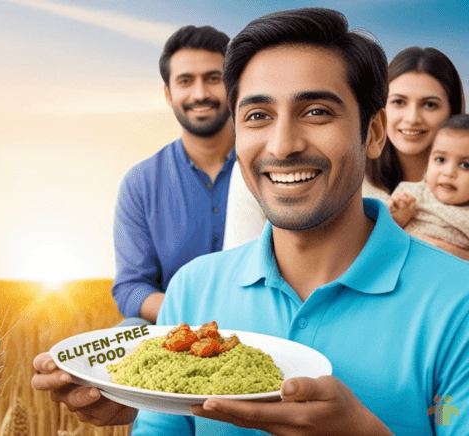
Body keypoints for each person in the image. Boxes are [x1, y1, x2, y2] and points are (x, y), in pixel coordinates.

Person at [32, 8, 469, 435]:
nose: (283, 145)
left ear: (373, 133)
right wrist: (133, 392)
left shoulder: (458, 303)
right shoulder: (193, 290)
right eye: (258, 116)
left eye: (316, 111)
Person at [112, 25, 264, 325]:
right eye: (185, 81)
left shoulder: (271, 166)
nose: (200, 94)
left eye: (213, 78)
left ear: (234, 87)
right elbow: (131, 287)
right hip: (178, 326)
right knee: (129, 329)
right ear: (169, 94)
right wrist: (195, 320)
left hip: (262, 321)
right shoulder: (140, 184)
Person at [363, 46, 465, 203]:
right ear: (380, 109)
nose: (412, 118)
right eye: (398, 102)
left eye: (429, 105)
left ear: (453, 113)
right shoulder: (352, 183)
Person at [389, 114, 469, 259]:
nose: (449, 172)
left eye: (465, 165)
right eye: (440, 159)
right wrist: (396, 220)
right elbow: (377, 236)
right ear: (427, 167)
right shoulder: (409, 195)